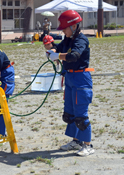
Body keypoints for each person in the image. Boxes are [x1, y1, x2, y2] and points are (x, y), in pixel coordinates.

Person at [46, 10, 94, 156]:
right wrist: (52, 51)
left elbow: (74, 56)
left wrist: (58, 55)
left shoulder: (81, 40)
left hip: (81, 78)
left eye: (65, 28)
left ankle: (88, 145)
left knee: (81, 115)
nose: (63, 31)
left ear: (73, 26)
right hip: (70, 78)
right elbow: (58, 47)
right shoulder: (68, 39)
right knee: (70, 113)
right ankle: (76, 141)